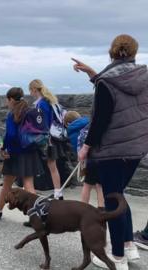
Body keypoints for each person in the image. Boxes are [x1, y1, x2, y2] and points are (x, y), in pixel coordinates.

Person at [73, 34, 147, 269]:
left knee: (113, 201)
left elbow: (101, 118)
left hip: (112, 150)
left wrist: (85, 147)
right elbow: (119, 89)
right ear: (134, 53)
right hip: (137, 148)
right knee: (119, 196)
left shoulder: (106, 82)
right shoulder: (143, 77)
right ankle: (128, 245)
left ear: (111, 52)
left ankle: (117, 257)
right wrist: (93, 75)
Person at [0, 87, 43, 223]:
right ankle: (35, 217)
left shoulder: (12, 114)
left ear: (11, 99)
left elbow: (11, 134)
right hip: (30, 152)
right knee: (29, 185)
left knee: (7, 184)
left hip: (15, 153)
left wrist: (4, 148)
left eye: (8, 100)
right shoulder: (31, 111)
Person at [29, 79, 65, 200]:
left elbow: (40, 122)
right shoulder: (51, 101)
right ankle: (58, 192)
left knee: (37, 163)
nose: (30, 94)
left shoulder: (41, 104)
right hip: (53, 137)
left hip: (45, 138)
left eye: (30, 91)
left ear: (34, 90)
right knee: (53, 166)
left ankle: (30, 190)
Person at [64, 111, 104, 208]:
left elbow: (76, 149)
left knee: (87, 185)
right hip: (100, 156)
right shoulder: (89, 122)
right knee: (100, 186)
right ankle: (101, 209)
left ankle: (83, 208)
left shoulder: (70, 133)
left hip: (87, 160)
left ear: (68, 123)